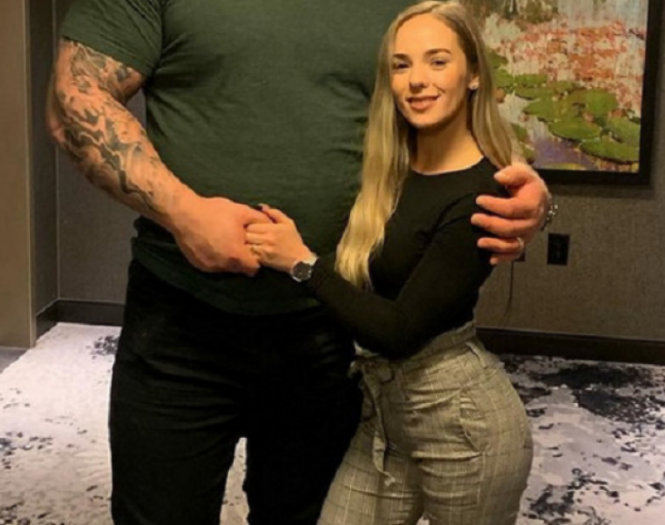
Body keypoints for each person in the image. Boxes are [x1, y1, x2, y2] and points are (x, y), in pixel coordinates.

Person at [46, 1, 551, 524]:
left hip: (331, 333)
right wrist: (183, 212)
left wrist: (526, 189)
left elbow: (447, 105)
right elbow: (72, 102)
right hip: (180, 323)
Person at [247, 2, 533, 523]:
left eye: (438, 61)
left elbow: (399, 330)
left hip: (462, 421)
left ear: (473, 74)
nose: (417, 80)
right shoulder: (390, 171)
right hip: (382, 412)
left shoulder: (483, 194)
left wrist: (301, 264)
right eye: (402, 65)